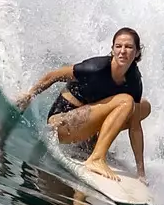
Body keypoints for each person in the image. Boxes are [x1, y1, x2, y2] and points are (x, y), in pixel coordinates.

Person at [14, 27, 151, 181]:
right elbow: (54, 75)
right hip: (61, 124)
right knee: (126, 102)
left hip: (85, 127)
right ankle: (96, 158)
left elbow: (135, 127)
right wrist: (30, 94)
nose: (123, 51)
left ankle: (92, 144)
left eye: (129, 47)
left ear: (137, 52)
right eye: (118, 46)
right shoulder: (96, 68)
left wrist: (141, 172)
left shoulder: (134, 80)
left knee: (143, 107)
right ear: (112, 50)